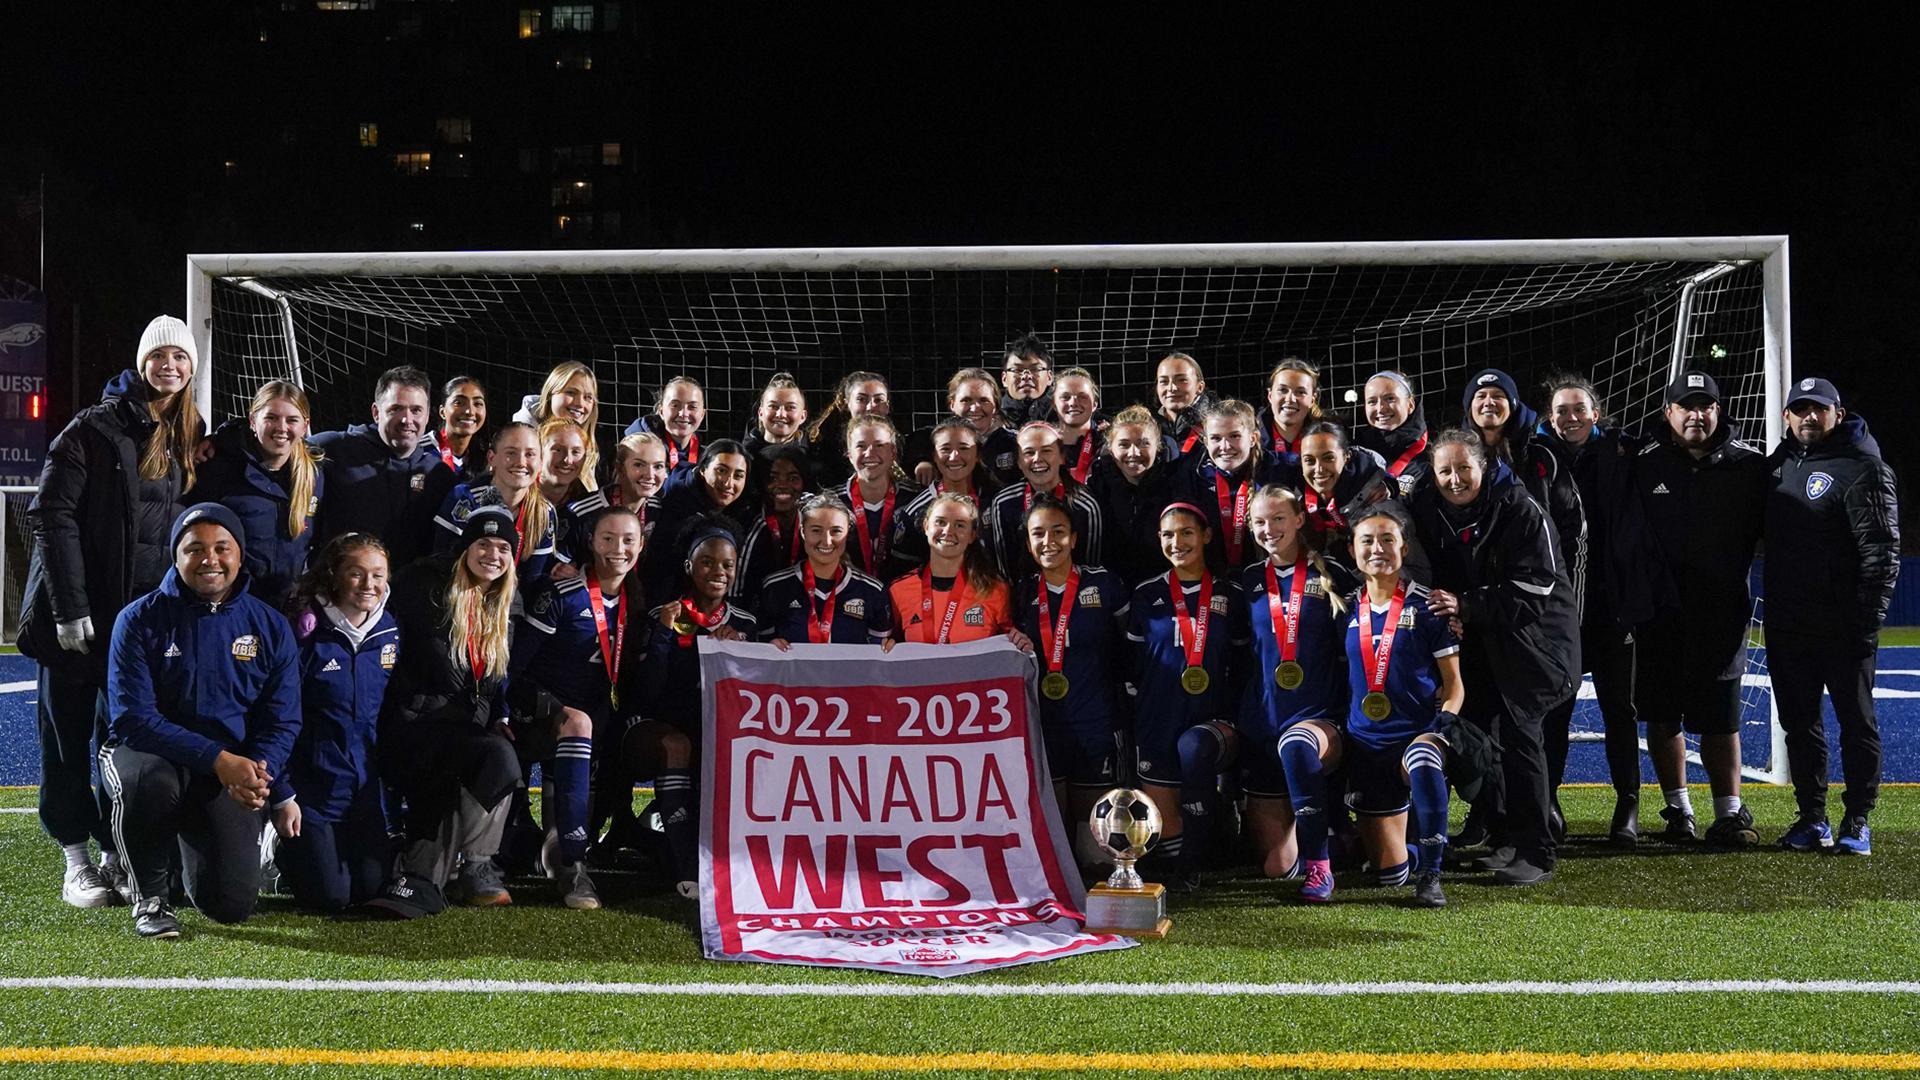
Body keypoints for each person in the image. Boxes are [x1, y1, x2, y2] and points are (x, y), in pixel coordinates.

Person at [21, 314, 203, 908]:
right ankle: (75, 858)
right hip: (81, 621)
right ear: (142, 360)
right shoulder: (93, 428)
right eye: (160, 356)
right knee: (69, 737)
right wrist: (70, 608)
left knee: (116, 739)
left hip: (136, 626)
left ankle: (111, 850)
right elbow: (51, 515)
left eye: (181, 358)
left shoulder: (180, 431)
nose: (169, 366)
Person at [102, 504, 300, 938]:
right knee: (148, 783)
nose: (210, 559)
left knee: (230, 905)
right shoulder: (138, 619)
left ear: (239, 555)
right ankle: (148, 896)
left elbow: (283, 719)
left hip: (225, 769)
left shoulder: (268, 625)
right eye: (195, 549)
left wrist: (259, 773)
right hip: (150, 754)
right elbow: (133, 719)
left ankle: (182, 849)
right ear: (175, 557)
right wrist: (218, 759)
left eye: (221, 548)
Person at [1411, 428, 1577, 886]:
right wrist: (1454, 615)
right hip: (1480, 639)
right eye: (1444, 469)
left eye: (1464, 467)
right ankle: (1504, 836)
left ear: (1483, 465)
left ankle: (1537, 851)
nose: (1454, 478)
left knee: (1522, 740)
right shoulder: (1427, 504)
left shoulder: (1522, 509)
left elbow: (1535, 588)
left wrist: (1466, 605)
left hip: (1533, 643)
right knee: (1485, 739)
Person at [1629, 370, 1768, 847]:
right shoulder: (1643, 464)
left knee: (1720, 716)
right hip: (1659, 614)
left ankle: (1729, 812)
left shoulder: (1750, 466)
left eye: (1705, 405)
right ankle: (1678, 812)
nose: (1696, 414)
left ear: (1718, 410)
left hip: (1721, 614)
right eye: (1686, 405)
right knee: (1663, 715)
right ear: (1668, 413)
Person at [1765, 377, 1901, 856]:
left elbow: (1882, 552)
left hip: (1843, 627)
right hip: (1787, 624)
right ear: (1786, 417)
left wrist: (1866, 622)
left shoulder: (1863, 466)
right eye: (1799, 409)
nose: (1808, 417)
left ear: (1837, 414)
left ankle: (1858, 819)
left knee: (1856, 724)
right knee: (1799, 727)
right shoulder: (1777, 466)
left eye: (1817, 409)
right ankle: (1812, 818)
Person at [366, 506, 521, 918]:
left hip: (460, 734)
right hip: (412, 729)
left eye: (503, 547)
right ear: (464, 547)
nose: (492, 554)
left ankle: (427, 871)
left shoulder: (502, 604)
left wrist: (502, 715)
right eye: (483, 544)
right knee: (495, 757)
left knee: (423, 883)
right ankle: (478, 866)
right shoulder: (423, 587)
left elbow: (497, 680)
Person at [510, 506, 648, 910]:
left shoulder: (637, 603)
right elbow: (516, 667)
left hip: (592, 718)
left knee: (593, 724)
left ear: (641, 546)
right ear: (590, 541)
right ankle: (574, 866)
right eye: (608, 538)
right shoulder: (562, 596)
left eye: (628, 540)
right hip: (536, 709)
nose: (618, 549)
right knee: (580, 722)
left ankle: (562, 845)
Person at [1539, 374, 1655, 843]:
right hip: (1560, 612)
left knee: (1619, 710)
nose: (1570, 417)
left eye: (1578, 409)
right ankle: (1548, 802)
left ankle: (1628, 805)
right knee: (1556, 711)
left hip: (1612, 606)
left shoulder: (1622, 452)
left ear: (1596, 413)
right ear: (1550, 417)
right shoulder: (1537, 456)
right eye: (1561, 410)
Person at [1341, 504, 1463, 909]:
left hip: (1415, 736)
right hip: (1366, 745)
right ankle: (1410, 851)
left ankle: (1432, 872)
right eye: (1368, 540)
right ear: (1352, 550)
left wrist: (1441, 726)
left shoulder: (1429, 607)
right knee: (1388, 874)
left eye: (1387, 539)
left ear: (1404, 548)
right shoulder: (1341, 610)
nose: (1378, 548)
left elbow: (1454, 686)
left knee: (1426, 760)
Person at [626, 519, 757, 897]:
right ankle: (686, 868)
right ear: (689, 566)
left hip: (713, 728)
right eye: (707, 562)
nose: (718, 572)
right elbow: (647, 692)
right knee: (677, 745)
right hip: (653, 726)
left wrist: (733, 654)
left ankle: (726, 859)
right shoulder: (662, 616)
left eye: (727, 564)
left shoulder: (746, 623)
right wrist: (667, 634)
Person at [1124, 503, 1250, 892]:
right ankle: (1211, 834)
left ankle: (1194, 867)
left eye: (1186, 533)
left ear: (1206, 536)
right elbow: (1132, 666)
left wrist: (1235, 716)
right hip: (1158, 718)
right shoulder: (1146, 593)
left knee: (1194, 747)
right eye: (1167, 535)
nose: (1176, 542)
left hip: (1211, 718)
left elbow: (1243, 662)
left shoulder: (1230, 593)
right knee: (1166, 846)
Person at [273, 533, 399, 913]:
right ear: (335, 576)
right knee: (330, 898)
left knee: (371, 890)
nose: (369, 584)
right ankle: (276, 849)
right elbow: (275, 715)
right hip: (311, 791)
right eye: (356, 573)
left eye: (378, 575)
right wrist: (282, 794)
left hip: (363, 792)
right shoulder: (304, 633)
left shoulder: (390, 629)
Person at [1239, 485, 1352, 902]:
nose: (1269, 529)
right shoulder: (1248, 581)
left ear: (1300, 519)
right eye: (1260, 522)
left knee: (1299, 745)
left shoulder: (1333, 574)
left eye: (1279, 518)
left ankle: (1322, 866)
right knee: (1277, 868)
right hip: (1265, 723)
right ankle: (1339, 834)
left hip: (1317, 719)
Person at [1012, 495, 1129, 864]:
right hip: (1043, 725)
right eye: (1038, 534)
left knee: (1093, 853)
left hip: (1096, 721)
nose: (1049, 542)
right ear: (1028, 542)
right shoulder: (1020, 593)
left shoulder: (1106, 584)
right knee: (1053, 838)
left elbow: (1128, 648)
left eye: (1058, 532)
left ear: (1075, 539)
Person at [1461, 368, 1586, 616]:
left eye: (1498, 395)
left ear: (1513, 403)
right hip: (1479, 600)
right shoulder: (1457, 459)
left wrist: (1568, 605)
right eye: (1480, 395)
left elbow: (1573, 528)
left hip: (1539, 597)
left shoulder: (1541, 454)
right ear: (1469, 407)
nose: (1489, 402)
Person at [192, 380, 324, 612]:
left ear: (305, 426)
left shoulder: (316, 474)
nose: (281, 428)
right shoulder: (217, 466)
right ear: (253, 421)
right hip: (231, 604)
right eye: (271, 418)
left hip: (289, 608)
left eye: (292, 420)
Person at [311, 365, 454, 569]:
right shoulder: (335, 449)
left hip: (405, 595)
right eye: (396, 409)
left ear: (427, 416)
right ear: (376, 412)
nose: (407, 420)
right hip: (337, 591)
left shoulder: (438, 475)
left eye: (416, 410)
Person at [886, 492, 1026, 647]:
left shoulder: (994, 590)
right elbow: (890, 645)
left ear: (972, 535)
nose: (948, 531)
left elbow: (1009, 645)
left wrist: (1020, 642)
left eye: (959, 525)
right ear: (926, 527)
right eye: (940, 522)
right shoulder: (898, 590)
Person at [756, 493, 894, 647]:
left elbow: (879, 654)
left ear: (848, 532)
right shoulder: (775, 587)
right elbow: (759, 647)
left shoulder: (871, 590)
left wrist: (888, 648)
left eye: (836, 531)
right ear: (803, 532)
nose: (827, 541)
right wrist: (769, 646)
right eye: (816, 530)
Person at [432, 421, 557, 582]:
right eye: (511, 453)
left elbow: (533, 582)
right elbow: (442, 562)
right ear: (492, 458)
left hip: (511, 601)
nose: (520, 462)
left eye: (530, 454)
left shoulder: (544, 513)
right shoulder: (464, 499)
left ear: (541, 462)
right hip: (461, 594)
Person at [985, 422, 1104, 580]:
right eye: (1028, 453)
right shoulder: (1004, 504)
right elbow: (1006, 571)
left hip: (1074, 597)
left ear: (1062, 457)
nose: (1037, 459)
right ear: (1019, 462)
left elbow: (1091, 567)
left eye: (1046, 451)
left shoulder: (1084, 505)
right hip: (1023, 598)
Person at [642, 439, 752, 609]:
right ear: (702, 470)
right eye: (721, 471)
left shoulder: (743, 506)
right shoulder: (676, 504)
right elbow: (661, 571)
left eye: (738, 475)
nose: (729, 483)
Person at [1171, 399, 1276, 575]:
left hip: (1268, 576)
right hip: (1211, 580)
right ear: (1205, 441)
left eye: (1234, 436)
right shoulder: (1191, 475)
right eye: (1216, 438)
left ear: (1253, 438)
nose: (1225, 447)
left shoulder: (1276, 469)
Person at [1294, 421, 1393, 580]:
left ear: (1346, 457)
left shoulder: (1379, 499)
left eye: (1328, 458)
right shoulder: (1297, 502)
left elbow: (1415, 571)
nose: (1319, 469)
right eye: (1310, 461)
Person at [897, 417, 999, 569]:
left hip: (991, 590)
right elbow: (904, 572)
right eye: (945, 449)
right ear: (934, 456)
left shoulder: (997, 500)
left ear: (978, 454)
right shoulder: (915, 511)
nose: (954, 457)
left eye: (964, 448)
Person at [841, 416, 921, 581]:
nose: (870, 453)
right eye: (861, 446)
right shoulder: (833, 503)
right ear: (849, 455)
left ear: (893, 453)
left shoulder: (915, 499)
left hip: (904, 597)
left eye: (879, 445)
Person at [912, 368, 1019, 484]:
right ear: (952, 404)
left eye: (984, 400)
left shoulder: (1016, 443)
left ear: (996, 406)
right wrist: (923, 460)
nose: (974, 408)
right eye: (966, 400)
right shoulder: (933, 442)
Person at [734, 442, 813, 599]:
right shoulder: (749, 525)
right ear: (761, 483)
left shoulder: (814, 520)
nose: (782, 485)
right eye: (773, 478)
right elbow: (737, 592)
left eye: (793, 478)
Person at [514, 362, 603, 488]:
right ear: (551, 394)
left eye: (588, 397)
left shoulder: (587, 445)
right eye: (571, 393)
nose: (580, 403)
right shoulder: (518, 438)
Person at [1352, 370, 1431, 499]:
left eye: (1390, 399)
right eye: (1372, 401)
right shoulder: (1356, 452)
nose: (1381, 408)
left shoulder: (1431, 455)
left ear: (1410, 405)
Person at [805, 370, 890, 486]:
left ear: (887, 406)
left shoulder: (899, 443)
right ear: (846, 404)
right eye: (861, 399)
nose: (870, 407)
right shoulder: (826, 449)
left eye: (878, 400)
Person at [624, 375, 705, 471]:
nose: (683, 414)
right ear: (661, 411)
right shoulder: (637, 449)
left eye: (692, 407)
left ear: (702, 415)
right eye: (675, 405)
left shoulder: (706, 458)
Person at [1262, 358, 1324, 469]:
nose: (1290, 399)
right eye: (1283, 390)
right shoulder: (1249, 440)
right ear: (1270, 396)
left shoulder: (1328, 441)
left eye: (1300, 392)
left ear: (1312, 400)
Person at [429, 375, 491, 484]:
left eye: (477, 404)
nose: (470, 411)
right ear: (442, 412)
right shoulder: (421, 450)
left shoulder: (487, 458)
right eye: (459, 403)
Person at [1153, 352, 1214, 460]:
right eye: (1164, 381)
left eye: (1182, 380)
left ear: (1200, 387)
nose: (1172, 388)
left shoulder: (1216, 424)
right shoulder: (1149, 427)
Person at [1051, 367, 1104, 484]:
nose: (1073, 403)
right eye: (1065, 397)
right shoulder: (1042, 444)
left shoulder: (1108, 443)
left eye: (1082, 397)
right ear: (1054, 404)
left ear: (1095, 404)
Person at [742, 372, 810, 459]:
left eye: (790, 407)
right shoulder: (742, 459)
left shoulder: (811, 459)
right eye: (773, 406)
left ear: (803, 416)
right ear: (760, 412)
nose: (780, 414)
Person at [1000, 333, 1057, 426]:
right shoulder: (992, 417)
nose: (1026, 376)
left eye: (1035, 369)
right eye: (1017, 370)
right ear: (1004, 378)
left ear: (1049, 377)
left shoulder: (1064, 415)